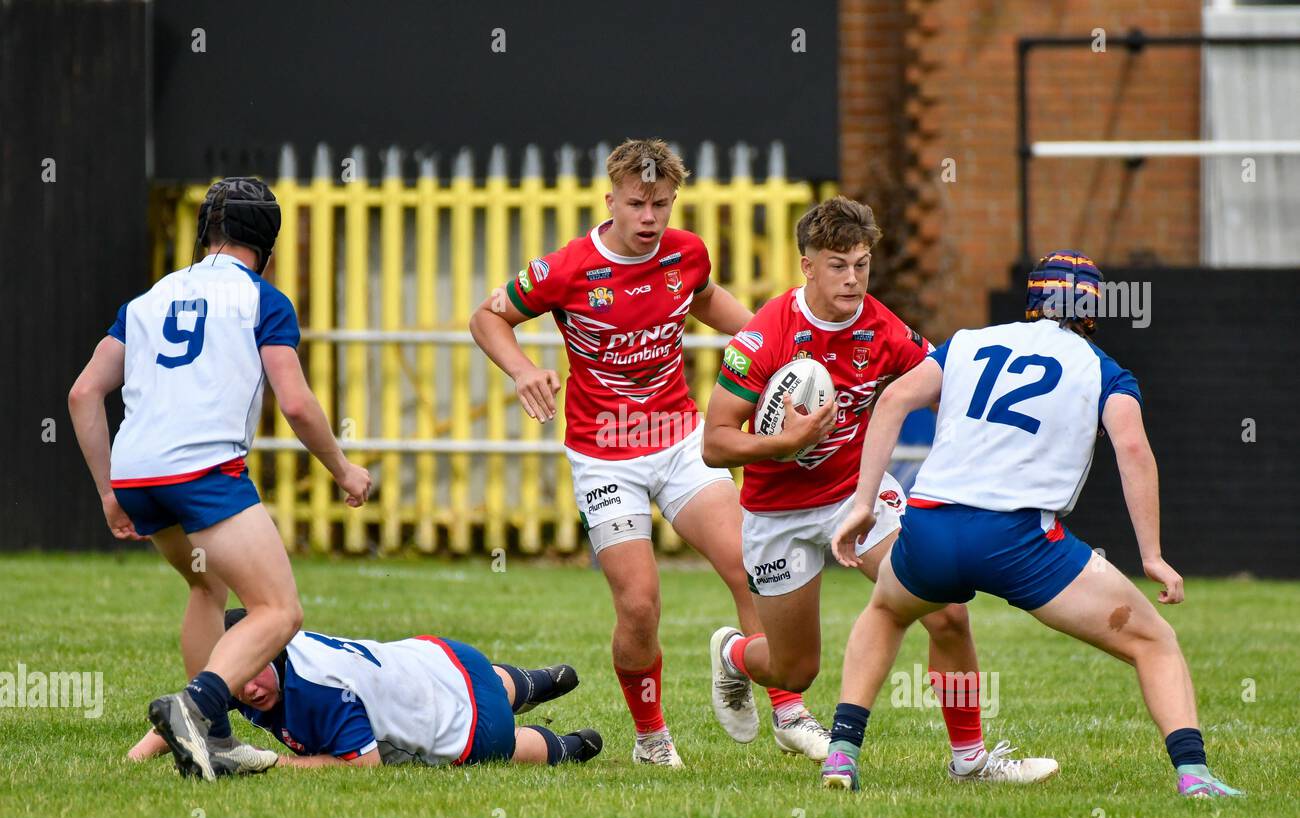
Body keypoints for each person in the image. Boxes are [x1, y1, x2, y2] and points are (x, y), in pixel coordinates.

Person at [822, 250, 1242, 798]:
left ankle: (842, 752)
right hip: (1018, 541)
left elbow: (895, 399)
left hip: (930, 525)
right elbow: (1134, 450)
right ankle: (1195, 776)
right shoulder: (1104, 371)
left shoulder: (969, 342)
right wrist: (1153, 556)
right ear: (1092, 310)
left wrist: (862, 503)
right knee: (1154, 642)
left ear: (1031, 301)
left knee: (886, 612)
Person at [470, 139, 825, 766]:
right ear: (610, 200)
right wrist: (523, 369)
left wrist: (770, 351)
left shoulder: (686, 254)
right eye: (637, 204)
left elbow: (707, 298)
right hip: (605, 456)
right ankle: (652, 738)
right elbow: (487, 318)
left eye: (661, 204)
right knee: (639, 603)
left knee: (750, 564)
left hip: (681, 441)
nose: (649, 218)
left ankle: (787, 710)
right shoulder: (567, 268)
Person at [702, 196, 1056, 781]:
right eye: (837, 264)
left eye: (862, 264)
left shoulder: (882, 328)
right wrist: (782, 444)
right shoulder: (764, 336)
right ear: (807, 265)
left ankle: (970, 759)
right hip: (776, 511)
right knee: (794, 671)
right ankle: (734, 655)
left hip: (856, 496)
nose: (852, 278)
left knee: (946, 612)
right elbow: (715, 443)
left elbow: (943, 392)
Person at [68, 177, 372, 781]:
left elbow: (83, 394)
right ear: (269, 245)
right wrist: (343, 468)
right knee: (279, 611)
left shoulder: (147, 299)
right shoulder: (263, 298)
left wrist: (109, 490)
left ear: (205, 232)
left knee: (207, 589)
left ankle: (217, 738)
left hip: (137, 472)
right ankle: (193, 706)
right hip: (202, 471)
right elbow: (298, 403)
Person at [130, 610, 601, 768]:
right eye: (234, 682)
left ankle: (569, 747)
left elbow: (365, 766)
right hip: (444, 657)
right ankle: (538, 680)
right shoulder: (262, 659)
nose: (248, 689)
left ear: (272, 654)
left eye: (254, 672)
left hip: (474, 728)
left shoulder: (316, 693)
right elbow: (186, 709)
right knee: (485, 680)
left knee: (509, 745)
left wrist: (269, 763)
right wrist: (137, 756)